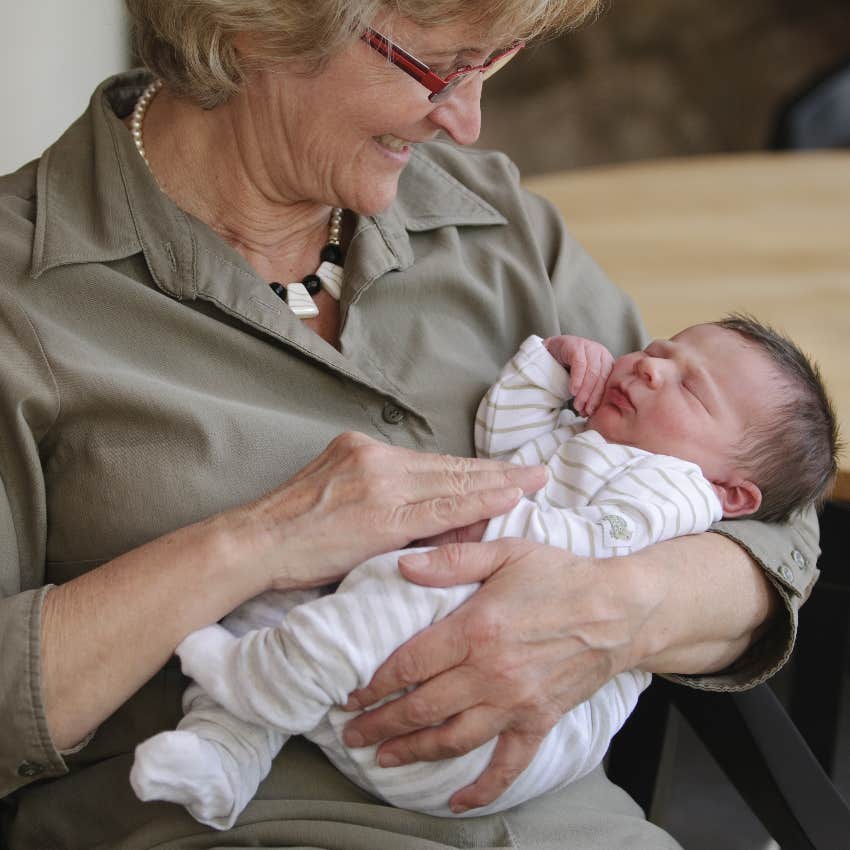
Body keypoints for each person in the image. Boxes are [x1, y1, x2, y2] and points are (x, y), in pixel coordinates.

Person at [0, 1, 825, 848]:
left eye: (490, 64)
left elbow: (769, 509)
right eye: (439, 65)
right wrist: (252, 543)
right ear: (258, 24)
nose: (466, 122)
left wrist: (620, 607)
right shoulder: (24, 299)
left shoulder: (490, 219)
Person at [128, 316, 839, 831]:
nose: (651, 367)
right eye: (659, 351)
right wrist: (553, 368)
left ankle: (264, 684)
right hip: (399, 688)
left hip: (474, 737)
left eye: (692, 390)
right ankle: (225, 758)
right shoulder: (587, 438)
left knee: (390, 591)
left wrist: (490, 521)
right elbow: (503, 435)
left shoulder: (674, 492)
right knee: (280, 600)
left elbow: (592, 549)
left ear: (732, 493)